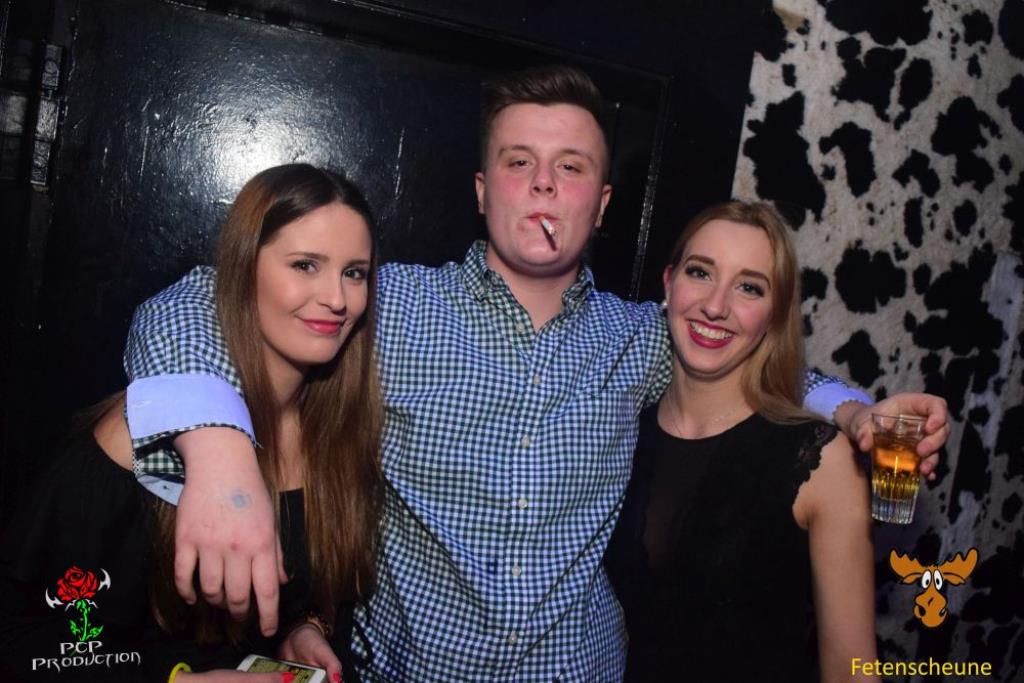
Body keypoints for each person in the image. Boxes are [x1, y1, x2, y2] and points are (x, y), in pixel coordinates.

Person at [120, 66, 948, 680]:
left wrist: (853, 411)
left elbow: (761, 363)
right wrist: (220, 456)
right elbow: (192, 304)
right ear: (484, 193)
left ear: (603, 203)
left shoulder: (643, 338)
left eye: (572, 166)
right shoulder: (389, 303)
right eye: (520, 162)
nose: (545, 182)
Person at [0, 164, 382, 683]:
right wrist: (176, 679)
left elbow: (297, 594)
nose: (337, 299)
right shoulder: (136, 437)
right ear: (244, 270)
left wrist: (301, 629)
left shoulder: (331, 434)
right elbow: (22, 637)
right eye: (305, 265)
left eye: (354, 273)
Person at [605, 201, 879, 681]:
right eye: (700, 272)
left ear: (774, 315)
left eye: (749, 287)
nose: (715, 306)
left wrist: (856, 411)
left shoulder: (820, 461)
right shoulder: (621, 433)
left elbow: (851, 671)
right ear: (669, 283)